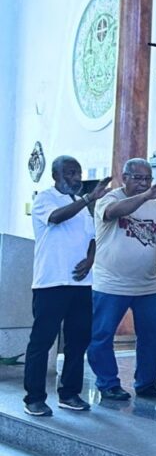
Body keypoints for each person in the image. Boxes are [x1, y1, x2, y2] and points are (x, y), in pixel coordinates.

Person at [23, 157, 111, 416]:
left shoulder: (80, 206)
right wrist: (88, 198)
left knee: (78, 340)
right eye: (71, 173)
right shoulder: (45, 198)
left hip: (81, 284)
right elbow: (56, 218)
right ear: (56, 175)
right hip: (51, 283)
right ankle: (34, 398)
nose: (76, 177)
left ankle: (70, 394)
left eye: (78, 173)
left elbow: (92, 237)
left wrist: (91, 259)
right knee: (42, 341)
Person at [88, 158, 156, 402]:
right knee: (103, 335)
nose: (144, 183)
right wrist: (145, 197)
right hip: (111, 284)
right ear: (124, 177)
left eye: (148, 179)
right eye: (138, 178)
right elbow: (115, 213)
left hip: (148, 284)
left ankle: (147, 383)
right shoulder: (109, 199)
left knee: (154, 333)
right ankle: (108, 382)